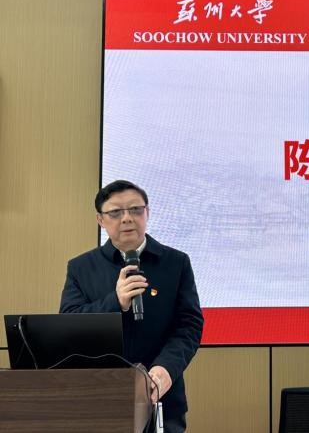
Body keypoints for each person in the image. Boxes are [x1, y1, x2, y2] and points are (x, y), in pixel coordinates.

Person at [60, 180, 204, 433]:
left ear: (148, 213)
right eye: (116, 212)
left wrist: (165, 370)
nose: (127, 218)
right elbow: (69, 324)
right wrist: (114, 302)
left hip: (162, 395)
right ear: (100, 220)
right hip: (98, 397)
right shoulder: (81, 267)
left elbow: (188, 326)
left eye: (136, 210)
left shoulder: (176, 262)